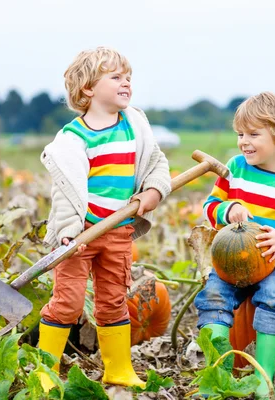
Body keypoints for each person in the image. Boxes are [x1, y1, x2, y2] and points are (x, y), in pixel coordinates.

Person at [38, 47, 171, 391]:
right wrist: (68, 232)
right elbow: (65, 192)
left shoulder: (135, 126)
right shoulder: (73, 139)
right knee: (67, 302)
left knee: (113, 301)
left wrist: (153, 192)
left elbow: (156, 164)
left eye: (128, 77)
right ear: (88, 89)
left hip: (118, 231)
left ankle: (118, 368)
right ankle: (44, 371)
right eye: (116, 77)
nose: (126, 83)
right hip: (80, 233)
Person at [194, 92, 275, 399]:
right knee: (212, 297)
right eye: (240, 134)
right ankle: (217, 376)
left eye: (253, 134)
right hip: (232, 256)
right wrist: (227, 209)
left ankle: (264, 378)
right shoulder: (236, 168)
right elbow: (210, 206)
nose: (243, 141)